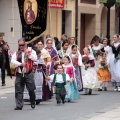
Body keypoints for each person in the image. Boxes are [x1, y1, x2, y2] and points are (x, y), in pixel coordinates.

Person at [11, 38, 37, 110]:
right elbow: (12, 61)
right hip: (19, 74)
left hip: (28, 73)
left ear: (25, 44)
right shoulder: (16, 53)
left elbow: (35, 58)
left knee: (31, 89)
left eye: (22, 45)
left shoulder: (31, 51)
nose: (21, 47)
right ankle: (19, 105)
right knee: (18, 90)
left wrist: (28, 54)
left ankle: (32, 101)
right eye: (20, 45)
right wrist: (20, 64)